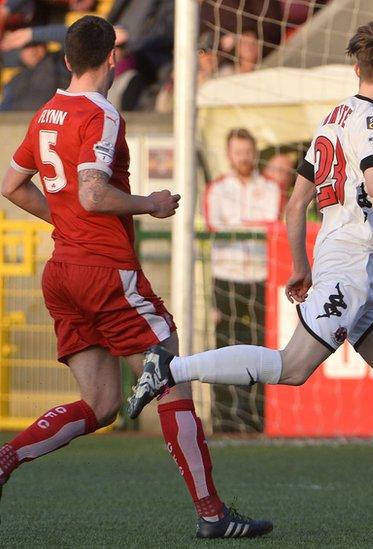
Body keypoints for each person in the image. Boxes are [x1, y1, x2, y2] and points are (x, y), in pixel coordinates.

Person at [128, 21, 373, 536]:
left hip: (353, 270)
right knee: (294, 367)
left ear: (357, 69)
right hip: (350, 266)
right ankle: (171, 367)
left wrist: (300, 264)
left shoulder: (333, 118)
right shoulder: (372, 123)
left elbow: (296, 203)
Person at [0, 16, 271, 538]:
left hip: (61, 272)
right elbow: (94, 194)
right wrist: (152, 203)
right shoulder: (100, 114)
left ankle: (6, 458)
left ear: (65, 61)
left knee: (101, 405)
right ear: (111, 60)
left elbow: (12, 185)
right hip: (105, 271)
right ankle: (213, 514)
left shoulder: (47, 113)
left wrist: (66, 221)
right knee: (172, 376)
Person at [203, 128, 281, 432]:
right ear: (228, 154)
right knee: (225, 345)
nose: (244, 158)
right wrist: (250, 226)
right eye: (238, 152)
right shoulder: (217, 189)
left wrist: (242, 226)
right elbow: (215, 225)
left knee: (260, 346)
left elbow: (271, 226)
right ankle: (225, 419)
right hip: (227, 278)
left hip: (260, 278)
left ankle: (256, 417)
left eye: (248, 151)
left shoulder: (272, 188)